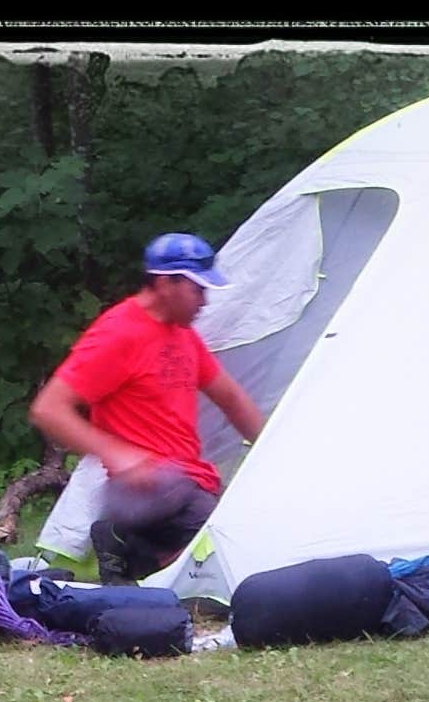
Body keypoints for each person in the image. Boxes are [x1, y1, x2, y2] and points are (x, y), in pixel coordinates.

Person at [30, 232, 268, 584]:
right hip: (148, 489)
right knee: (228, 553)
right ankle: (124, 538)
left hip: (190, 483)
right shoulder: (118, 333)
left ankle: (130, 549)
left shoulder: (181, 335)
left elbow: (231, 398)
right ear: (165, 284)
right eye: (198, 290)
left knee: (235, 534)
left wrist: (271, 451)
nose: (204, 302)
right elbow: (48, 409)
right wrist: (117, 454)